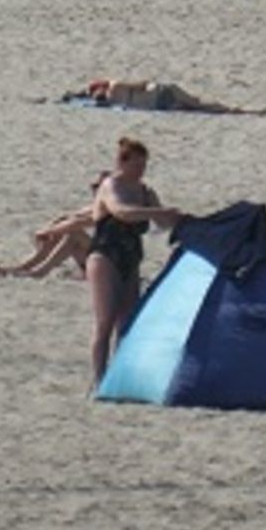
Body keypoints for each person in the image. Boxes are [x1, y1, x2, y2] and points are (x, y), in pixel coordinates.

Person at [86, 138, 185, 385]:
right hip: (105, 255)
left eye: (144, 165)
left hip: (131, 257)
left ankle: (119, 377)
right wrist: (156, 212)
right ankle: (99, 379)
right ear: (122, 162)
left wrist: (180, 219)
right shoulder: (111, 185)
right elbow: (121, 212)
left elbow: (163, 223)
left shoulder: (145, 192)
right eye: (137, 165)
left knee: (127, 321)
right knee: (105, 321)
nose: (141, 170)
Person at [83, 78, 266, 115]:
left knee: (197, 104)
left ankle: (240, 110)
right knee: (195, 105)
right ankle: (239, 110)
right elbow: (143, 84)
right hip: (159, 99)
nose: (96, 95)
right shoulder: (109, 98)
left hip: (161, 93)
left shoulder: (114, 89)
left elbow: (142, 85)